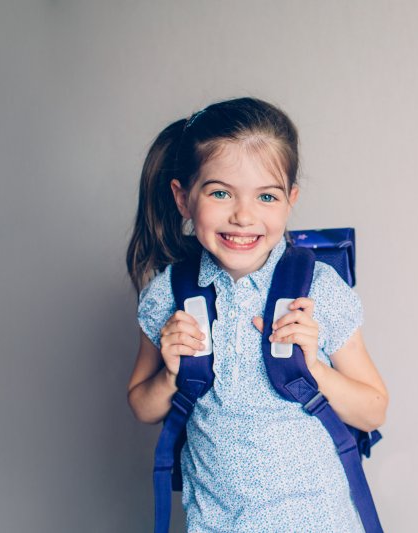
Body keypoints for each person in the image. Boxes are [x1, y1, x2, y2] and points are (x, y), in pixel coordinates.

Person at [125, 97, 389, 532]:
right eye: (220, 192)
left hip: (319, 522)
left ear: (290, 202)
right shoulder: (168, 294)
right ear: (183, 198)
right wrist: (170, 373)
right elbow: (142, 405)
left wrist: (315, 368)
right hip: (217, 523)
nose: (243, 215)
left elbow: (374, 409)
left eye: (266, 196)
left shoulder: (318, 289)